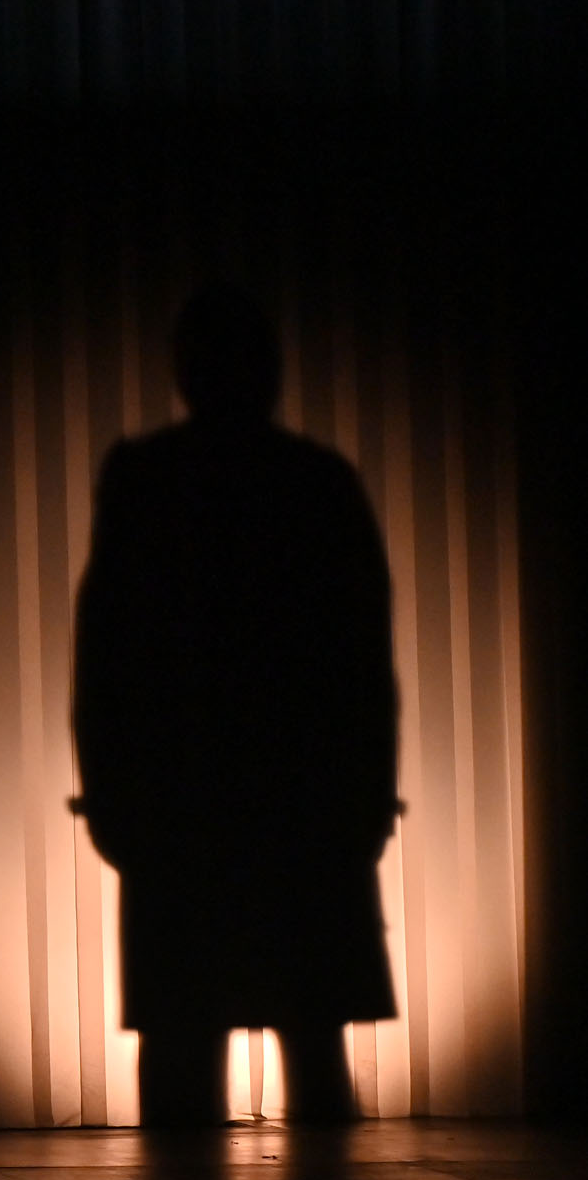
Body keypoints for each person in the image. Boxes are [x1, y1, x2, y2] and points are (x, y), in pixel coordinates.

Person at [72, 285, 400, 1125]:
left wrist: (108, 789)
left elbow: (105, 648)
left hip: (181, 799)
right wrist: (368, 793)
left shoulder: (146, 478)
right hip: (302, 799)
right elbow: (364, 658)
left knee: (182, 1043)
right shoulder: (318, 481)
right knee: (312, 1036)